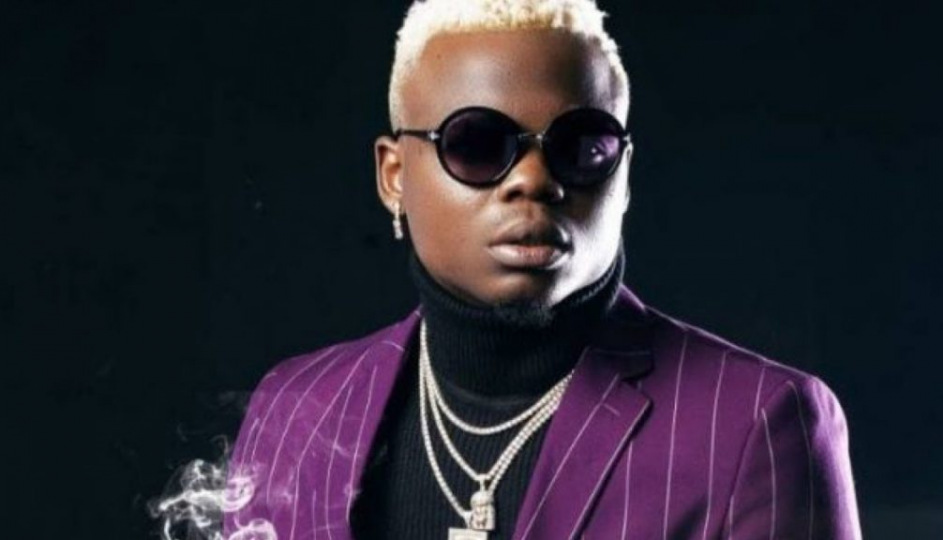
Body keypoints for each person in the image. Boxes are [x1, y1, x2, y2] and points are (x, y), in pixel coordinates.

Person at [223, 1, 862, 538]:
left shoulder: (758, 423)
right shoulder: (293, 409)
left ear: (623, 176)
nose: (534, 180)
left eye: (581, 146)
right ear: (394, 176)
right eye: (477, 144)